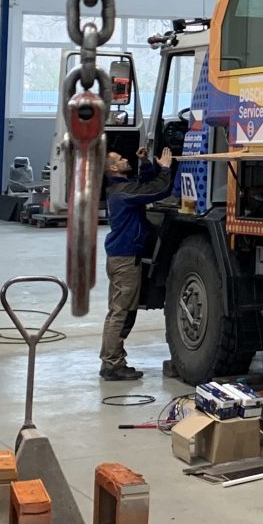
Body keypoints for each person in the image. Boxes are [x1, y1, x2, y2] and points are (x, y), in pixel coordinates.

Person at [100, 145, 174, 382]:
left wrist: (145, 164)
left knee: (121, 311)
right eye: (121, 158)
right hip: (124, 259)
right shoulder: (123, 192)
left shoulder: (121, 188)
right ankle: (112, 364)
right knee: (121, 312)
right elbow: (155, 190)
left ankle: (111, 361)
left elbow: (141, 185)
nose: (125, 159)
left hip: (121, 256)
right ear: (113, 168)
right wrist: (165, 169)